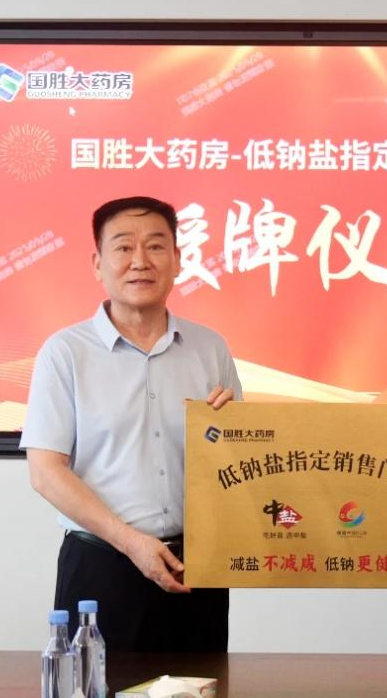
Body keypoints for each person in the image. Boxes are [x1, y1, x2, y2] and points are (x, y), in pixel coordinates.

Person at [21, 196, 242, 651]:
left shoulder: (209, 349)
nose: (140, 261)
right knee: (97, 684)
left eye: (156, 246)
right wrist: (130, 542)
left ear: (177, 260)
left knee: (201, 684)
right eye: (123, 247)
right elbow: (45, 472)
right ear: (97, 264)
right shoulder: (65, 353)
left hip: (194, 568)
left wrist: (233, 432)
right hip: (101, 566)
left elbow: (238, 463)